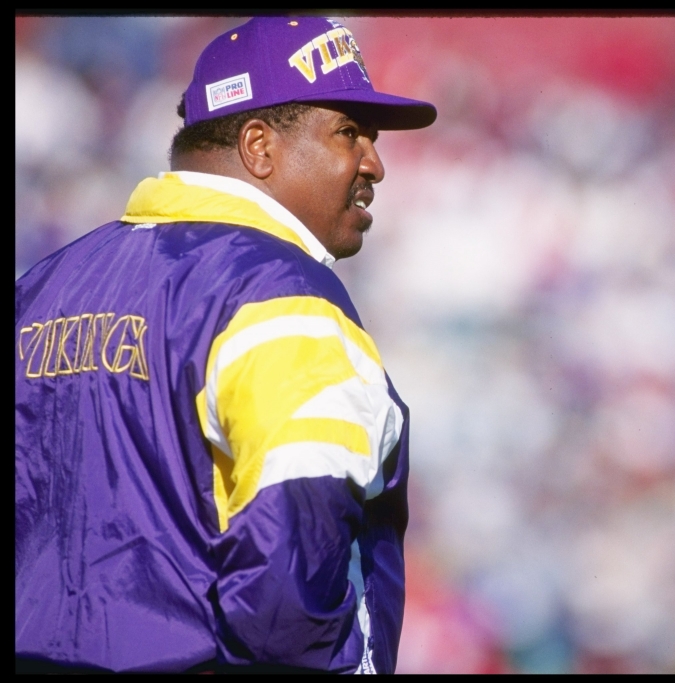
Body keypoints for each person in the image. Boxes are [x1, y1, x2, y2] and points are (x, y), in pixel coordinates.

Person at [15, 16, 436, 674]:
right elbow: (290, 607)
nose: (374, 163)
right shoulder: (283, 295)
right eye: (349, 132)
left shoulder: (41, 290)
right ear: (259, 145)